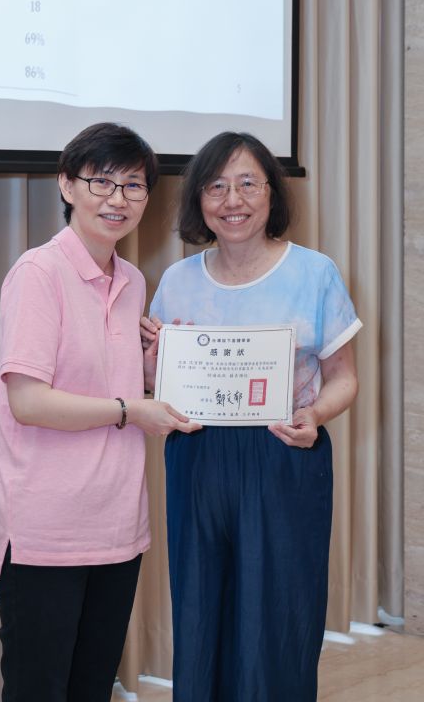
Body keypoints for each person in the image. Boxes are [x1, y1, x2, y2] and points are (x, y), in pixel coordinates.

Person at [141, 131, 362, 702]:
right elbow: (157, 384)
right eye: (216, 187)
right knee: (201, 606)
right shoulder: (177, 281)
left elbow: (344, 378)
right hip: (198, 457)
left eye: (247, 184)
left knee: (280, 609)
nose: (232, 200)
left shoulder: (314, 273)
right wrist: (154, 364)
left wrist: (314, 415)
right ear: (198, 199)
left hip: (285, 452)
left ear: (271, 194)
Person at [0, 122, 201, 702]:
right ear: (67, 185)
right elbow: (28, 401)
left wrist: (152, 370)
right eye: (101, 182)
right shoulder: (38, 273)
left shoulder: (131, 280)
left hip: (116, 525)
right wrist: (131, 410)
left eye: (133, 186)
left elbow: (112, 387)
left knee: (90, 687)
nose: (118, 199)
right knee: (38, 690)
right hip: (45, 530)